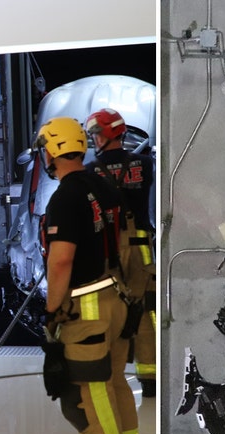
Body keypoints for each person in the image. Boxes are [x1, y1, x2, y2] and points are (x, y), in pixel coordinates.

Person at [38, 117, 138, 434]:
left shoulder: (64, 197)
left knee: (87, 390)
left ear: (51, 151)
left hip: (87, 305)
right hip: (116, 297)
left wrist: (51, 310)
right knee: (113, 381)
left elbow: (61, 260)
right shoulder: (104, 185)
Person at [84, 108, 157, 398]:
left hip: (107, 249)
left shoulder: (90, 171)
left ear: (104, 135)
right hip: (141, 249)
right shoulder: (145, 163)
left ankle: (107, 372)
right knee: (144, 313)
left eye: (95, 134)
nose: (93, 139)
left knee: (106, 309)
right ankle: (149, 379)